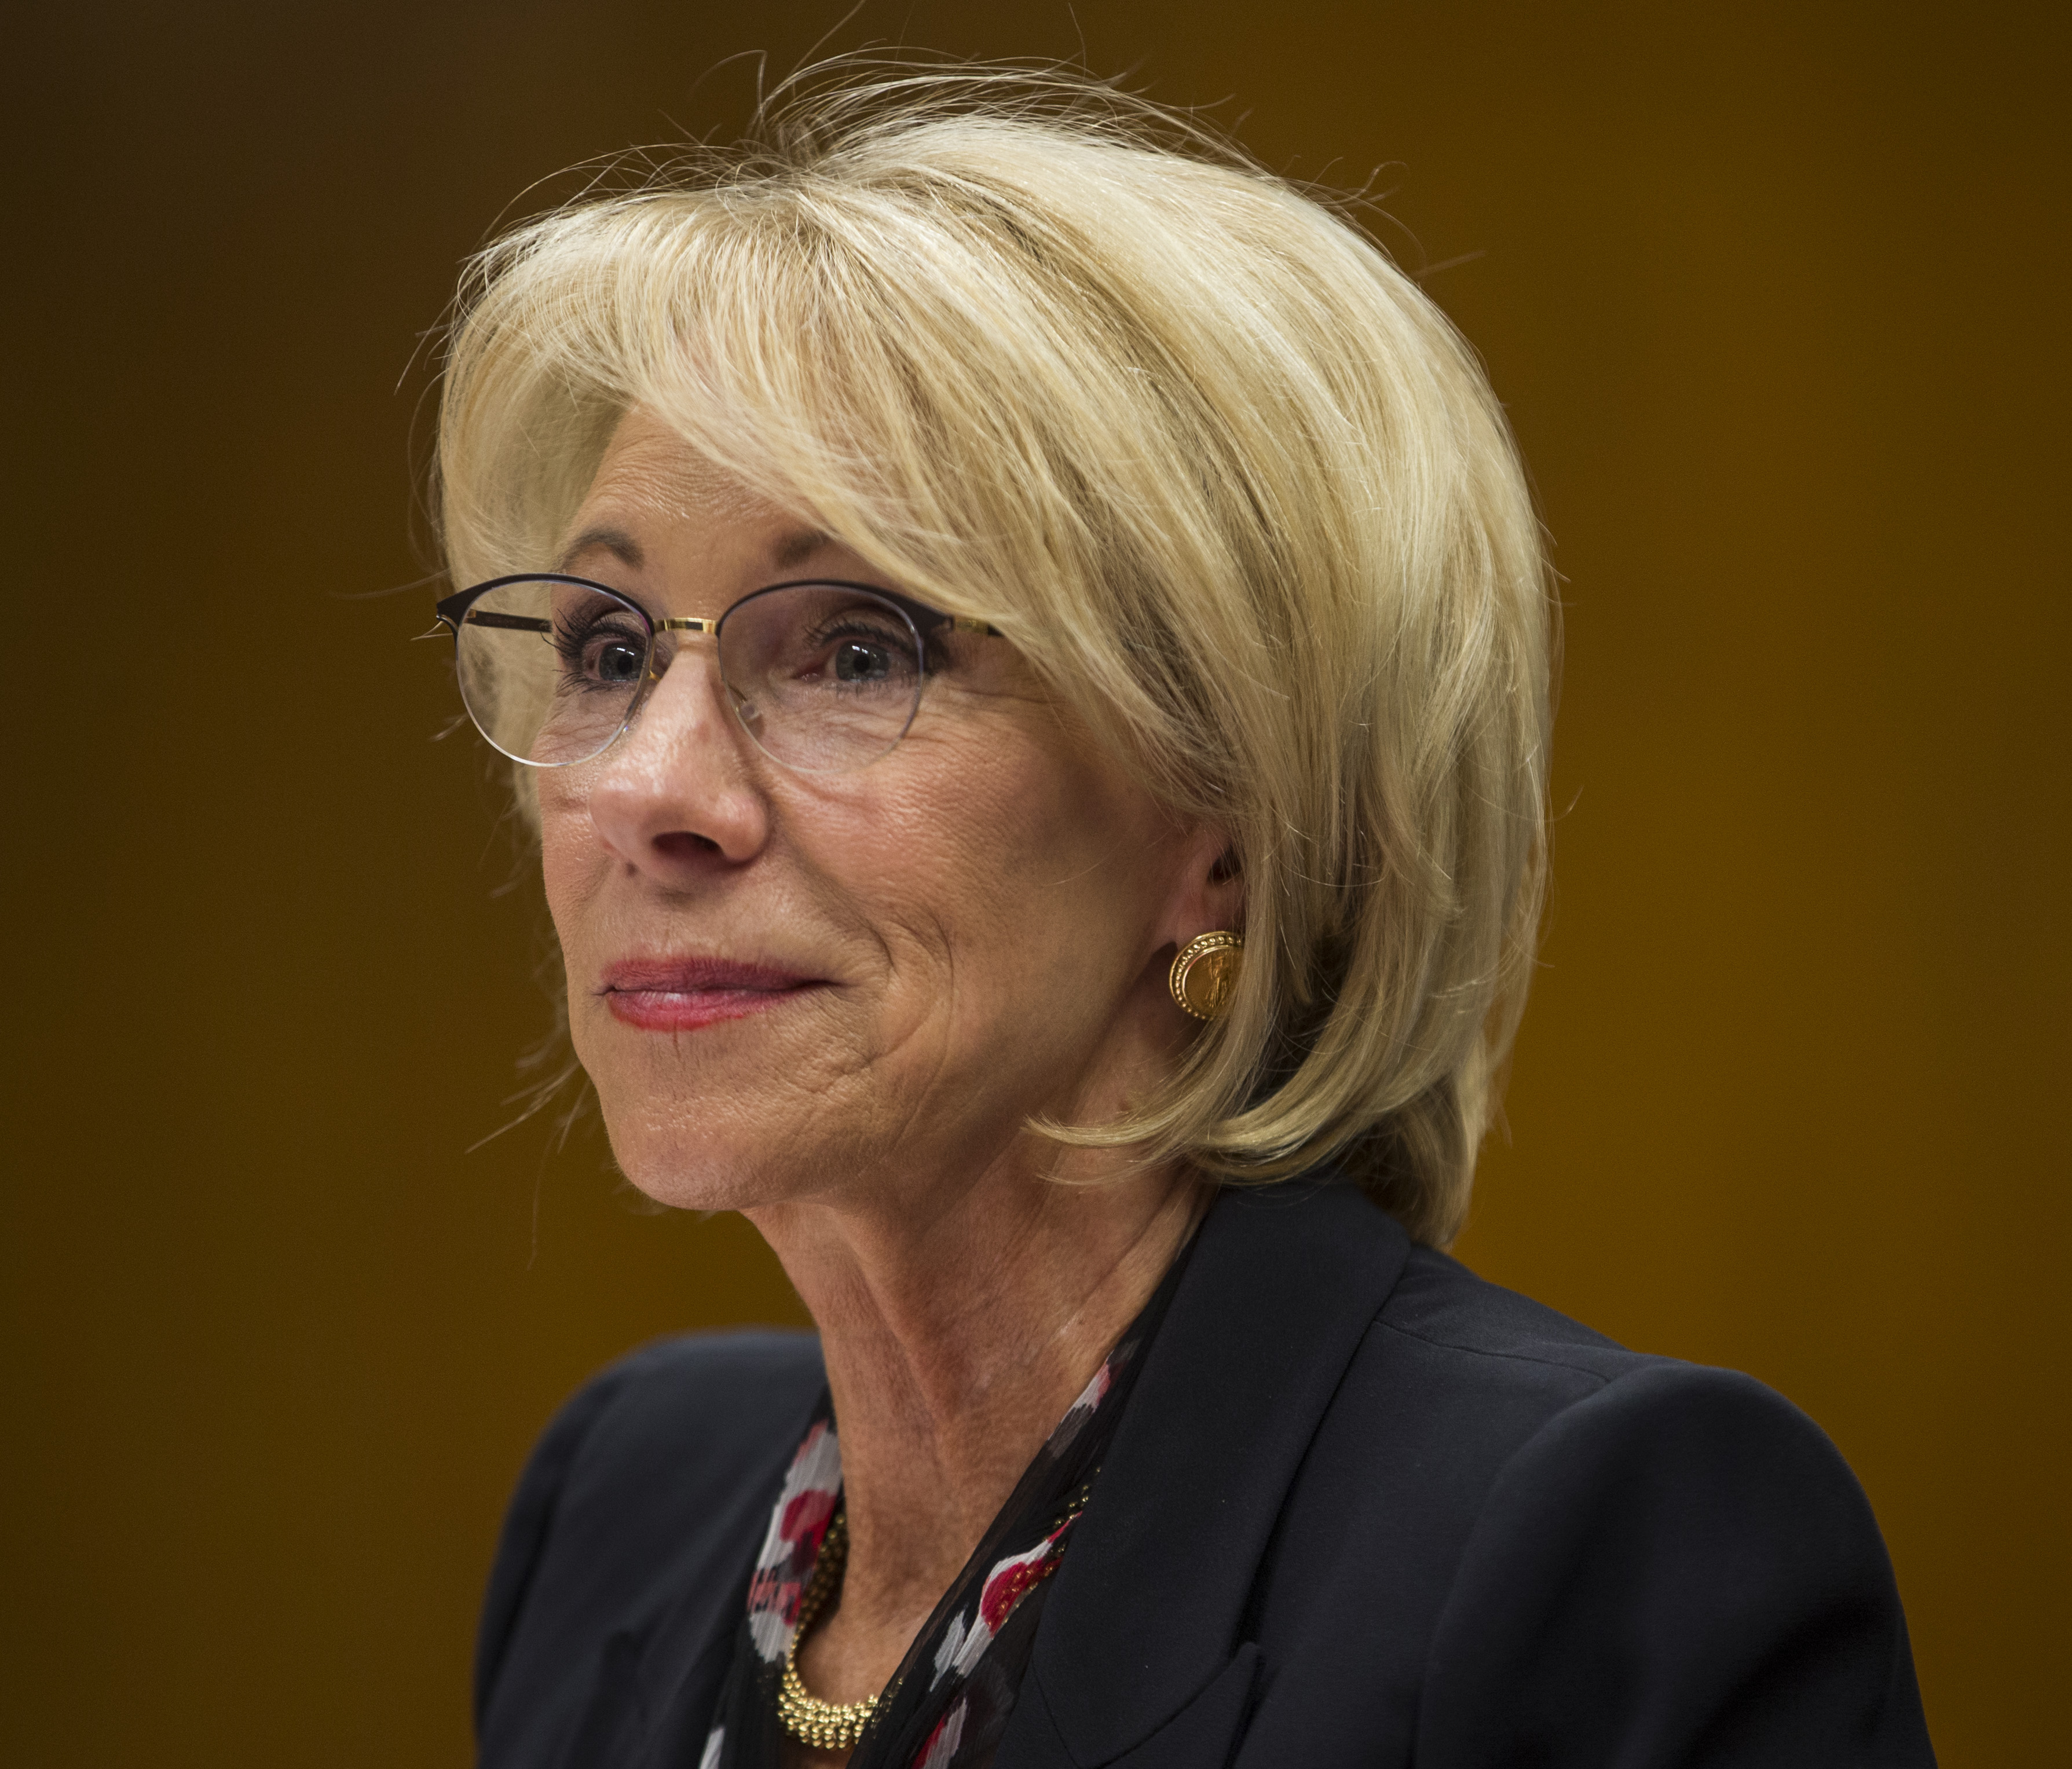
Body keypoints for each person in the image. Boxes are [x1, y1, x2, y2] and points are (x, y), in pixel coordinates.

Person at [437, 67, 1933, 1769]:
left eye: (859, 649)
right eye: (610, 650)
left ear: (1222, 815)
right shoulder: (624, 1504)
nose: (649, 787)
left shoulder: (1581, 1551)